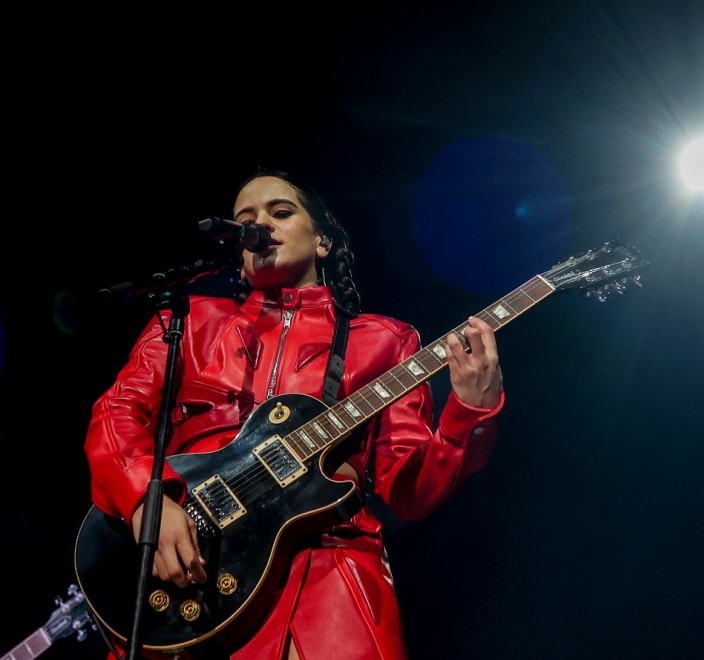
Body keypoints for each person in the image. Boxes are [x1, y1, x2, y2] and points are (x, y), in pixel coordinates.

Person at [82, 169, 504, 659]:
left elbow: (409, 493)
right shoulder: (190, 320)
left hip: (327, 576)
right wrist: (146, 503)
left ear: (322, 240)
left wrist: (467, 411)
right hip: (186, 567)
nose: (261, 225)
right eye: (245, 221)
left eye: (280, 212)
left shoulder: (385, 341)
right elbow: (115, 415)